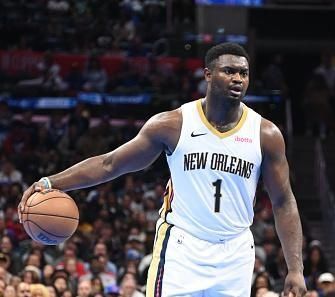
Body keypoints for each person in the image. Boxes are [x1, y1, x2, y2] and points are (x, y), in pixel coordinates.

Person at [19, 42, 306, 296]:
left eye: (243, 73)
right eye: (229, 71)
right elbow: (110, 163)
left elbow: (283, 201)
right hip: (182, 247)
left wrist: (296, 269)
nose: (237, 79)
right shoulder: (173, 124)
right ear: (207, 75)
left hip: (236, 251)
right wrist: (51, 182)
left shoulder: (265, 134)